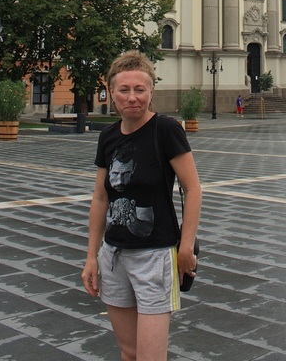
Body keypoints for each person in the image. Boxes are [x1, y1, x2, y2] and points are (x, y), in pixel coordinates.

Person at [82, 51, 202, 361]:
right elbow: (100, 197)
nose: (132, 97)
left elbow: (192, 188)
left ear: (151, 92)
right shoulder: (107, 137)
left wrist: (186, 247)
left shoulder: (166, 129)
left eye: (140, 90)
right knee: (129, 351)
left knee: (150, 356)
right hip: (114, 256)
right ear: (111, 92)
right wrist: (91, 257)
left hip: (155, 256)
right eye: (124, 90)